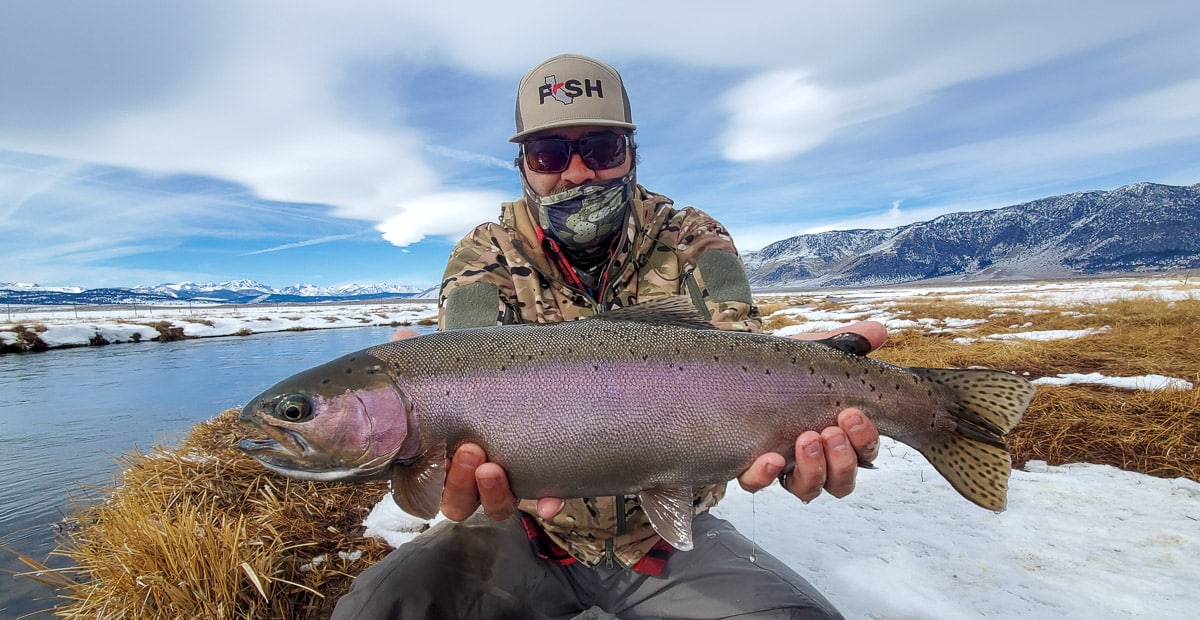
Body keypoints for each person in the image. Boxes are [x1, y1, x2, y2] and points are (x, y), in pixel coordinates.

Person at [333, 54, 886, 620]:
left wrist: (810, 395)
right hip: (526, 529)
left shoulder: (692, 236)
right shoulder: (485, 254)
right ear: (522, 165)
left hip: (667, 536)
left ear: (632, 153)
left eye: (600, 149)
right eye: (548, 153)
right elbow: (464, 365)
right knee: (373, 610)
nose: (576, 173)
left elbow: (736, 346)